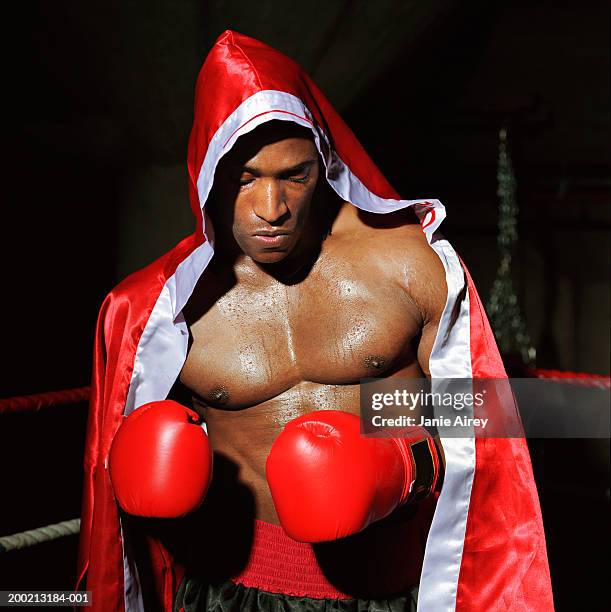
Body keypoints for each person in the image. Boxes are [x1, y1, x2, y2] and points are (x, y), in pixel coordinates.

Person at [77, 30, 554, 612]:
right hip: (231, 595)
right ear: (206, 170)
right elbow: (119, 515)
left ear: (324, 162)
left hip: (389, 590)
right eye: (245, 178)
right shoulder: (154, 312)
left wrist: (405, 464)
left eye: (294, 176)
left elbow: (490, 415)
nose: (271, 210)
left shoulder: (409, 264)